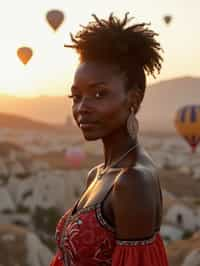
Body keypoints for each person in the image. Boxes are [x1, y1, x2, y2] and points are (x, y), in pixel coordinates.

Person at [50, 12, 169, 266]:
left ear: (133, 99)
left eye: (99, 93)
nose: (82, 107)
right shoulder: (98, 174)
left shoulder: (132, 181)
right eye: (76, 96)